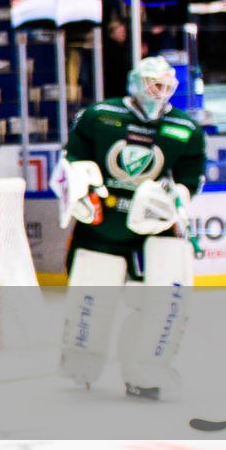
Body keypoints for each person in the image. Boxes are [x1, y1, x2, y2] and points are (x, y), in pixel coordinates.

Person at [56, 56, 206, 400]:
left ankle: (146, 372)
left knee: (166, 300)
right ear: (137, 83)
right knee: (92, 299)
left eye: (167, 86)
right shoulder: (100, 116)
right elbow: (74, 158)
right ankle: (83, 362)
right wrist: (82, 186)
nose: (160, 92)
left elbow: (189, 177)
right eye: (154, 84)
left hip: (155, 228)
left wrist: (176, 196)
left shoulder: (185, 129)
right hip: (102, 224)